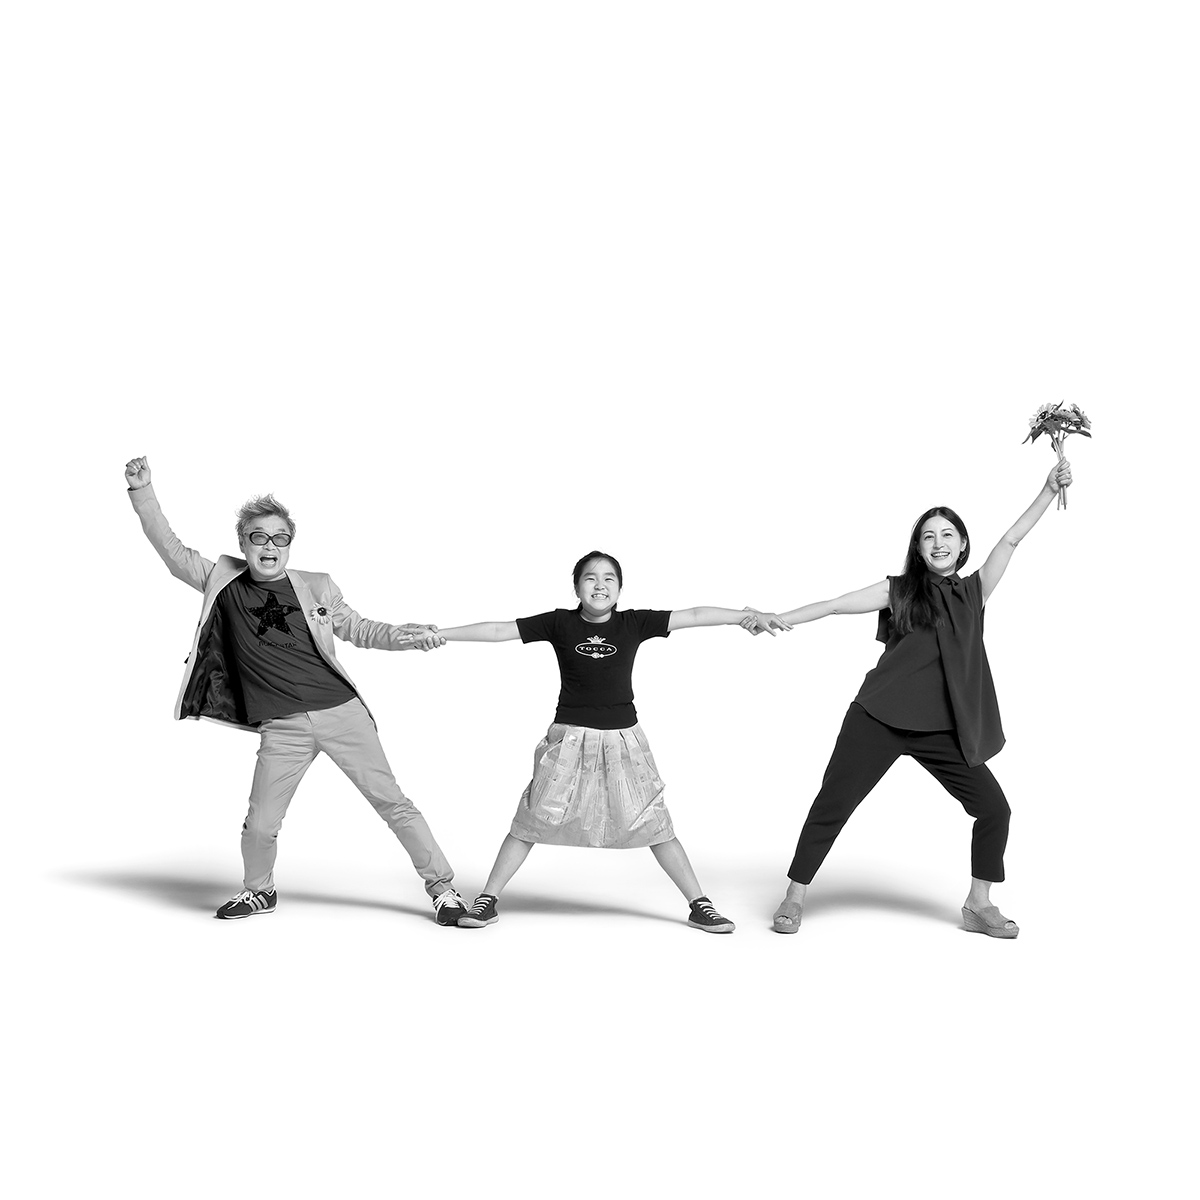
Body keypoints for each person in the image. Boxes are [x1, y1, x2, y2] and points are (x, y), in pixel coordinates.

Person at [124, 456, 468, 925]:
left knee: (393, 804)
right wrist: (142, 492)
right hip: (282, 726)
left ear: (289, 544)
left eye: (279, 538)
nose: (270, 545)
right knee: (260, 824)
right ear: (243, 544)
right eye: (259, 537)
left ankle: (443, 890)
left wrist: (407, 636)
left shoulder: (316, 587)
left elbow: (361, 629)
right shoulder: (222, 581)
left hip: (342, 713)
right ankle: (259, 891)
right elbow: (170, 549)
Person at [748, 458, 1074, 938]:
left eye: (947, 535)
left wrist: (1047, 489)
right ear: (918, 549)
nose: (938, 543)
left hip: (940, 729)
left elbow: (1010, 540)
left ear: (962, 544)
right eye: (928, 537)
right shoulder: (899, 590)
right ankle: (794, 896)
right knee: (832, 804)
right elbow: (836, 605)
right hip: (877, 717)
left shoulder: (974, 592)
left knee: (994, 809)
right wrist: (778, 617)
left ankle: (979, 903)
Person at [419, 551, 771, 933]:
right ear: (576, 587)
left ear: (620, 588)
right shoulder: (559, 623)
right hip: (568, 739)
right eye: (590, 577)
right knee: (531, 818)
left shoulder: (634, 622)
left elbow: (696, 615)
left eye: (609, 578)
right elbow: (498, 630)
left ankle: (699, 904)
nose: (599, 585)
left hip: (624, 741)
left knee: (654, 821)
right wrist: (442, 634)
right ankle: (488, 899)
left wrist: (743, 615)